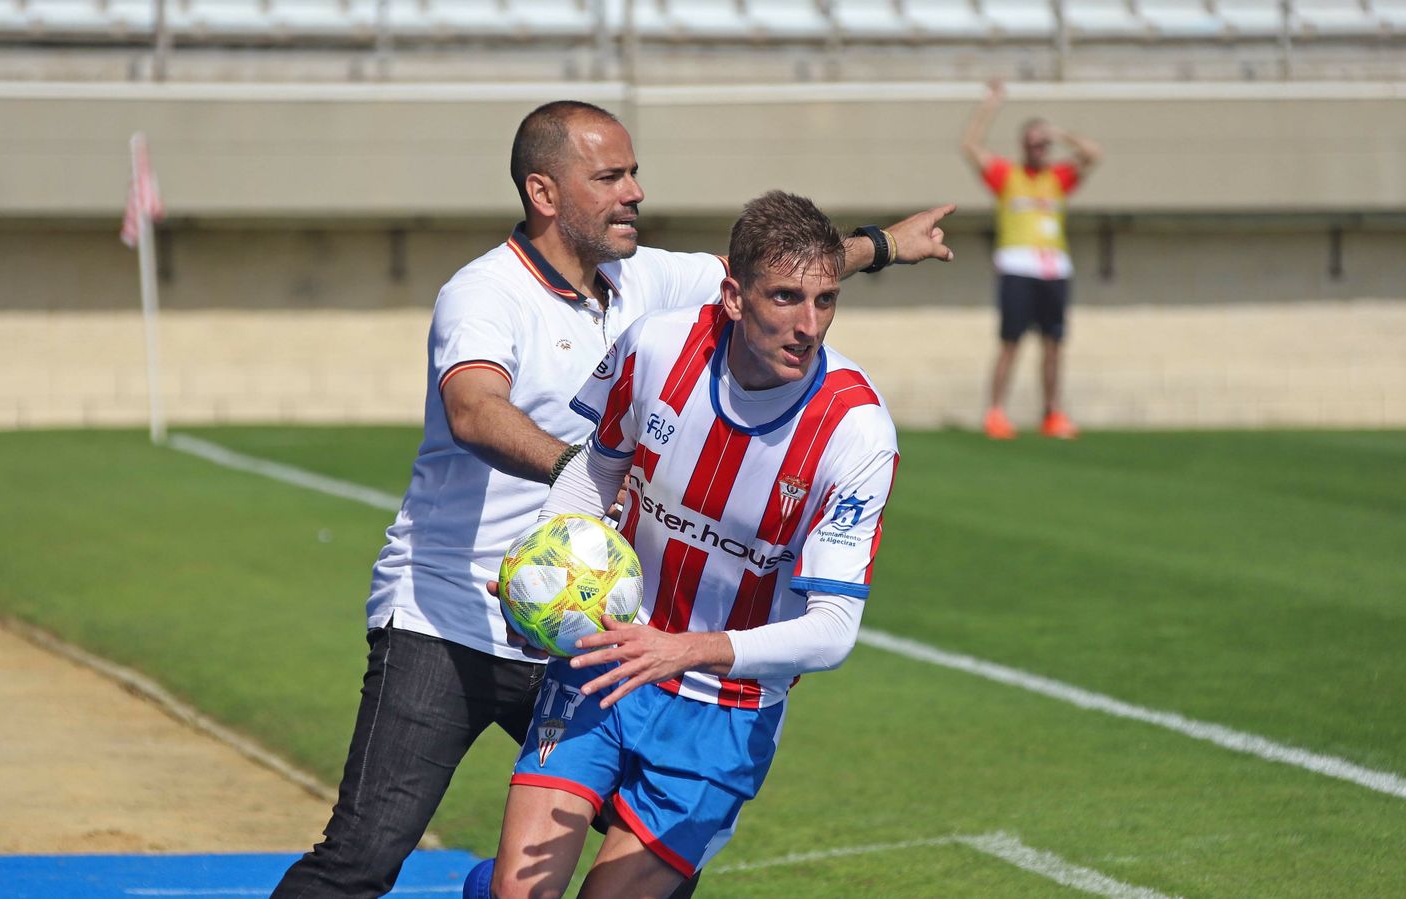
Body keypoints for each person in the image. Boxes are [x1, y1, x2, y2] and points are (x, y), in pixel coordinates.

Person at [273, 101, 954, 898]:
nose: (634, 191)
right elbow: (474, 411)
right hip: (453, 614)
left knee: (649, 865)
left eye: (634, 172)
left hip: (595, 627)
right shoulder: (484, 293)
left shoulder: (651, 282)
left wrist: (886, 246)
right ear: (545, 193)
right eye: (610, 177)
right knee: (363, 857)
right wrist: (597, 486)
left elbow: (783, 267)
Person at [470, 190, 900, 899]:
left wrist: (684, 649)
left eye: (824, 301)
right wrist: (541, 569)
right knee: (521, 893)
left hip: (724, 712)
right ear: (733, 294)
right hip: (607, 663)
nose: (807, 324)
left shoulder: (856, 434)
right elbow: (597, 468)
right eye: (786, 297)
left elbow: (832, 631)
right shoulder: (659, 345)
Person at [959, 78, 1101, 440]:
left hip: (1054, 268)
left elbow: (1093, 154)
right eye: (1035, 142)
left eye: (1044, 143)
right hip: (1017, 267)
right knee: (1011, 341)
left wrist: (1058, 131)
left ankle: (1052, 413)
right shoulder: (1010, 176)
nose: (1040, 148)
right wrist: (992, 104)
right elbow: (970, 145)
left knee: (1053, 343)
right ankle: (995, 412)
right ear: (1024, 145)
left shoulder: (1058, 178)